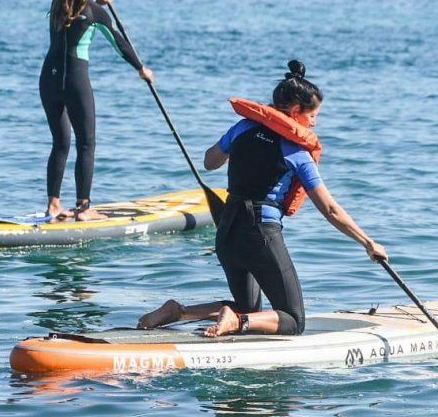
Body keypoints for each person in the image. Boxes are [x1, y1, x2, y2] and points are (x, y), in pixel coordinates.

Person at [138, 60, 387, 337]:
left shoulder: (242, 128)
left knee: (248, 306)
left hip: (227, 229)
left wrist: (240, 149)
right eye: (313, 116)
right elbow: (330, 209)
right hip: (259, 233)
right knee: (293, 320)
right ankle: (236, 322)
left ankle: (179, 311)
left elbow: (210, 162)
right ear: (295, 111)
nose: (315, 123)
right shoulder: (296, 151)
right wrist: (368, 242)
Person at [39, 0, 153, 222]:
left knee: (61, 143)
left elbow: (79, 8)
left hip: (49, 79)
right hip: (75, 81)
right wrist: (141, 69)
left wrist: (98, 0)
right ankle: (83, 208)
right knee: (87, 143)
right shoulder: (95, 13)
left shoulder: (59, 2)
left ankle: (53, 205)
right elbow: (120, 43)